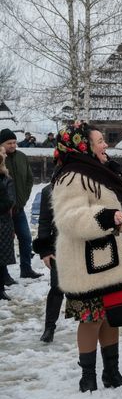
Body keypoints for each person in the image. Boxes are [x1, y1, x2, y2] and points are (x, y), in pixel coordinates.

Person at [52, 122, 122, 391]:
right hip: (85, 262)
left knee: (110, 315)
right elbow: (68, 218)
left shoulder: (98, 171)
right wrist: (105, 217)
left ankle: (111, 372)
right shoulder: (72, 176)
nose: (105, 144)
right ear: (83, 146)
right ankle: (88, 377)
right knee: (92, 317)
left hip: (107, 258)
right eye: (99, 141)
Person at [0, 128, 40, 279]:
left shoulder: (22, 157)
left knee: (25, 237)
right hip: (3, 210)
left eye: (14, 142)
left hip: (19, 208)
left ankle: (26, 269)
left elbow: (29, 179)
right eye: (9, 143)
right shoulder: (0, 159)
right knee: (4, 242)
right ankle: (4, 275)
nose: (12, 145)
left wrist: (23, 199)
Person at [33, 182, 62, 340]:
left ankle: (87, 326)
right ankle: (49, 327)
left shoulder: (85, 183)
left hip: (82, 244)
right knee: (57, 287)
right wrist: (45, 251)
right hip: (58, 245)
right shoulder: (49, 190)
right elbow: (44, 222)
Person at [0, 147, 15, 300]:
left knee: (1, 256)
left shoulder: (5, 179)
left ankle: (1, 288)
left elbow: (9, 201)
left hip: (3, 221)